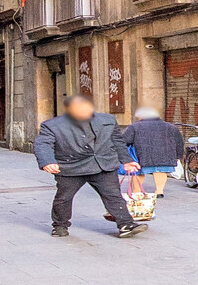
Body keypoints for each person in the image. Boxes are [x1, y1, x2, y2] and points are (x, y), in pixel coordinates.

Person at [33, 93, 146, 239]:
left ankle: (126, 224)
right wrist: (47, 161)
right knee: (64, 198)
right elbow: (42, 144)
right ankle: (60, 226)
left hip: (102, 165)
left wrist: (127, 160)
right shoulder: (52, 125)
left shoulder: (107, 120)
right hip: (72, 167)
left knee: (113, 196)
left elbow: (117, 141)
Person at [121, 105, 185, 199]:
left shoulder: (135, 127)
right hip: (164, 155)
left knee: (138, 172)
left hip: (142, 154)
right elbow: (179, 142)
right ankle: (159, 191)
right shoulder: (171, 127)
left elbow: (125, 141)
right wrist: (178, 155)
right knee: (161, 171)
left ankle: (137, 191)